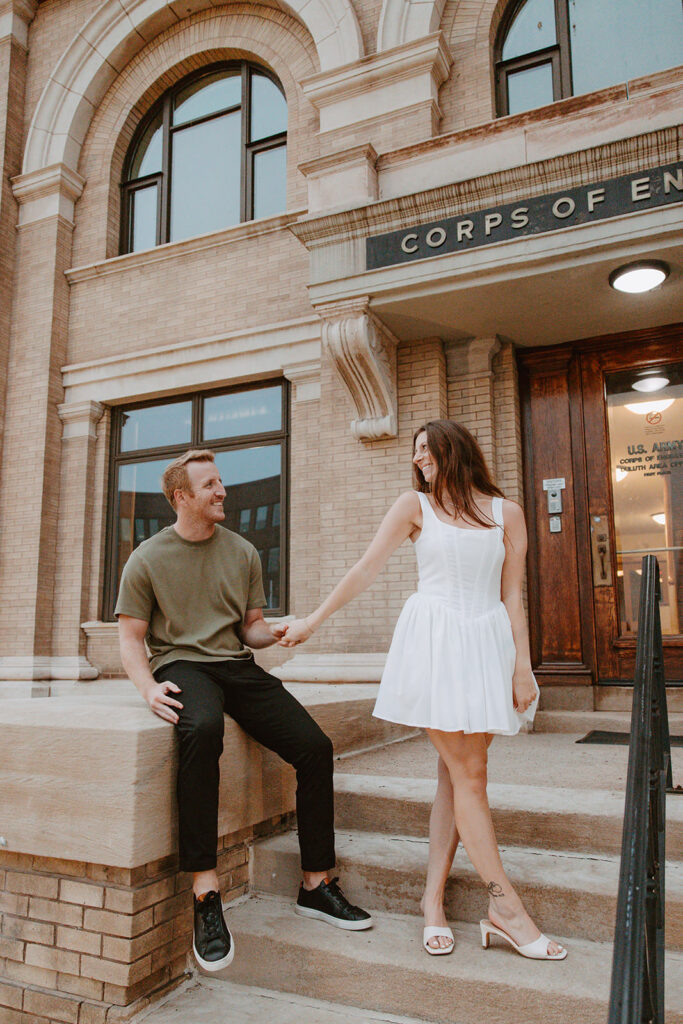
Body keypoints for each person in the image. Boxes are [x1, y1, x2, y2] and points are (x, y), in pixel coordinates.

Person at [280, 420, 566, 961]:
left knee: (455, 780)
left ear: (451, 451)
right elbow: (366, 568)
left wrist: (522, 668)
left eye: (426, 452)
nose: (419, 461)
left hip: (485, 646)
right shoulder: (415, 506)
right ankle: (505, 908)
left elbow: (511, 596)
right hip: (434, 643)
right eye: (415, 455)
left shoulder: (506, 512)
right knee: (471, 777)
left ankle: (431, 902)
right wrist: (313, 622)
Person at [116, 449, 371, 974]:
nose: (222, 491)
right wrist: (147, 687)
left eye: (221, 482)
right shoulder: (146, 557)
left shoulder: (242, 551)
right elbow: (130, 638)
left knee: (314, 746)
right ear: (181, 497)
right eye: (210, 484)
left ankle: (316, 884)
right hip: (183, 664)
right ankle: (205, 892)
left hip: (236, 664)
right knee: (203, 727)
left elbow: (248, 629)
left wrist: (275, 630)